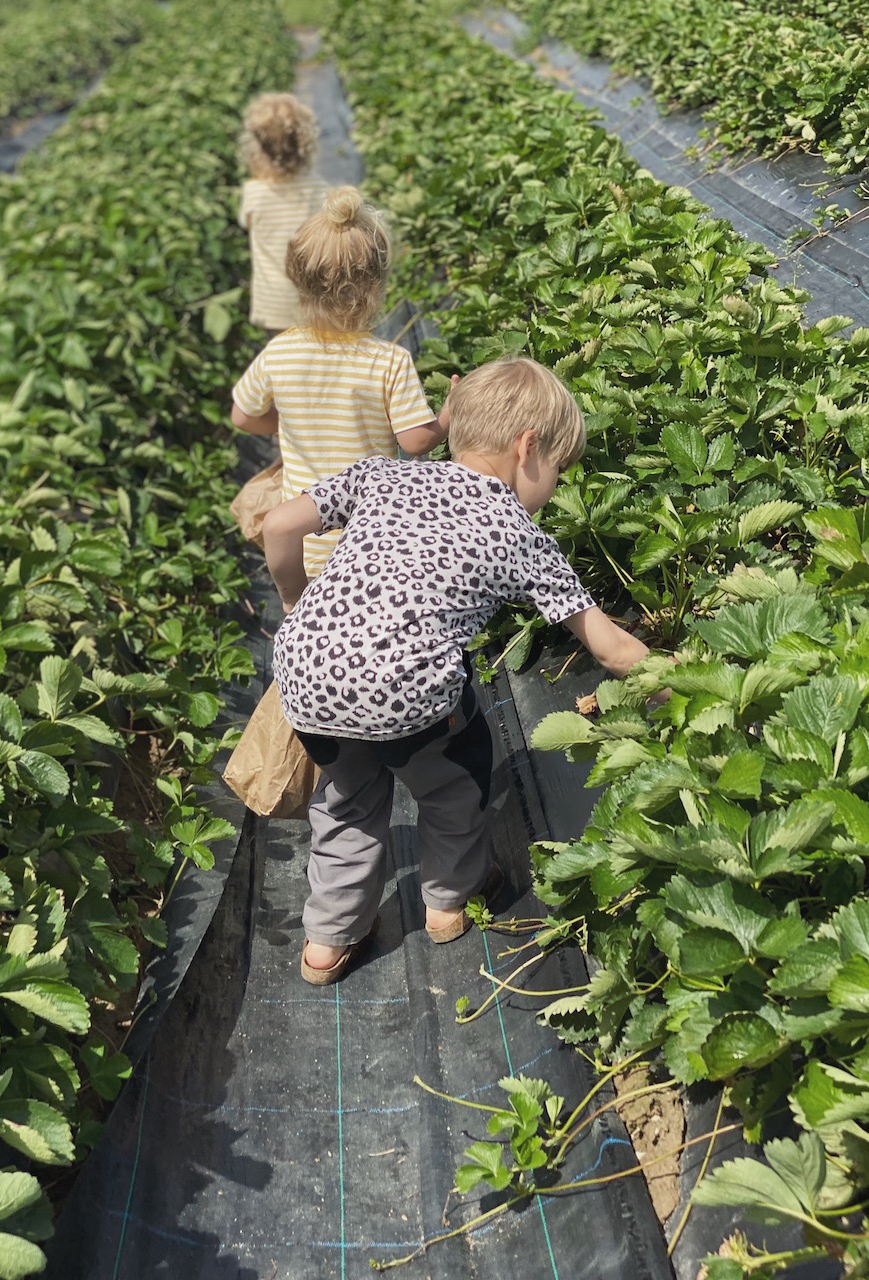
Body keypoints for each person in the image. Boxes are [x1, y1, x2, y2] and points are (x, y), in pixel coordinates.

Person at [261, 356, 657, 985]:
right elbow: (608, 647)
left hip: (305, 679)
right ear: (527, 449)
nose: (554, 486)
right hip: (408, 696)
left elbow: (279, 524)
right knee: (455, 780)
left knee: (344, 803)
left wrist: (293, 599)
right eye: (558, 469)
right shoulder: (516, 529)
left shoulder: (383, 475)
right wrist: (682, 677)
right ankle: (447, 904)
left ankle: (326, 943)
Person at [231, 185, 451, 577]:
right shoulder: (389, 361)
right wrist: (450, 411)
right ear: (374, 286)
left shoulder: (279, 352)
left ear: (299, 281)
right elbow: (416, 442)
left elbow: (243, 417)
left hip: (300, 547)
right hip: (369, 545)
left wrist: (292, 425)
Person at [238, 92, 328, 336]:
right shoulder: (318, 190)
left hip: (274, 305)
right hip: (315, 303)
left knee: (282, 363)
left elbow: (246, 223)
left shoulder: (254, 193)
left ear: (255, 148)